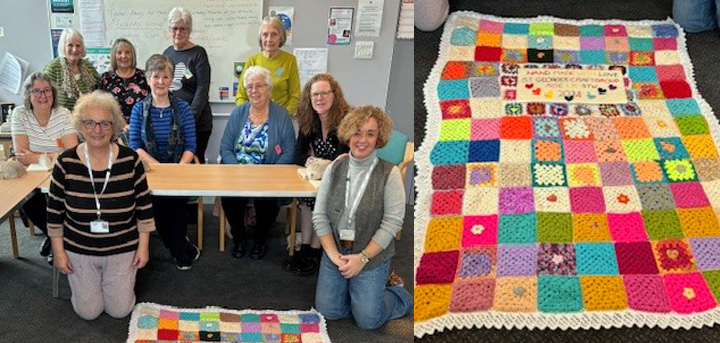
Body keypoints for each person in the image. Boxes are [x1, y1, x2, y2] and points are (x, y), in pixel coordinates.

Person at [46, 90, 155, 320]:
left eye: (105, 123)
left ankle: (112, 284)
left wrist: (143, 246)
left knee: (120, 311)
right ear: (80, 126)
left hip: (121, 247)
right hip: (79, 249)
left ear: (114, 125)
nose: (97, 130)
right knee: (89, 312)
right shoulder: (65, 162)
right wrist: (59, 252)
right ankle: (91, 286)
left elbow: (144, 206)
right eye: (90, 123)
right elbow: (54, 213)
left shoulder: (130, 160)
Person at [312, 105, 412, 330]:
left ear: (379, 138)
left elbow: (392, 223)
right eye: (357, 132)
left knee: (368, 320)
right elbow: (319, 216)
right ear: (348, 135)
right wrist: (333, 254)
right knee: (328, 311)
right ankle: (357, 292)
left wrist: (362, 259)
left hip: (371, 254)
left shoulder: (390, 173)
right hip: (337, 250)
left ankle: (396, 292)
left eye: (370, 133)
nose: (362, 140)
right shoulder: (334, 168)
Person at [128, 54, 200, 271]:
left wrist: (177, 170)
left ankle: (179, 250)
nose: (160, 81)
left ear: (171, 80)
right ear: (148, 79)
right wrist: (158, 169)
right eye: (156, 76)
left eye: (165, 76)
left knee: (177, 209)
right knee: (157, 214)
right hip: (150, 171)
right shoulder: (139, 110)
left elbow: (190, 146)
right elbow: (135, 145)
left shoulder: (184, 108)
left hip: (179, 169)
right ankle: (181, 246)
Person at [220, 66, 296, 260]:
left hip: (269, 175)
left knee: (268, 201)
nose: (254, 91)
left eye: (259, 86)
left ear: (269, 89)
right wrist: (236, 169)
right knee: (230, 199)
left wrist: (268, 174)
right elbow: (225, 147)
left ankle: (260, 239)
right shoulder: (238, 113)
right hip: (238, 173)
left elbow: (288, 151)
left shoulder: (281, 116)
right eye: (250, 86)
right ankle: (239, 238)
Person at [285, 73, 350, 276]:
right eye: (315, 95)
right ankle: (305, 246)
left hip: (342, 178)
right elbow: (297, 154)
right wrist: (316, 163)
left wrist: (316, 163)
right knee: (306, 200)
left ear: (335, 95)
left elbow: (341, 158)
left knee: (318, 201)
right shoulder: (310, 120)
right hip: (318, 176)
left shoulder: (345, 120)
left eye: (324, 93)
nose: (319, 98)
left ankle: (315, 250)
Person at [11, 71, 78, 264]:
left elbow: (71, 153)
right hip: (32, 176)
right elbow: (21, 155)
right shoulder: (20, 114)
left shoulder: (63, 114)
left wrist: (36, 156)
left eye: (47, 90)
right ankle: (57, 238)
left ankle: (55, 238)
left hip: (62, 173)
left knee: (67, 197)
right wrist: (51, 156)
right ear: (28, 95)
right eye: (37, 91)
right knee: (28, 200)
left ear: (53, 93)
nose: (43, 96)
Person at [163, 7, 212, 164]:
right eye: (174, 28)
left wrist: (188, 120)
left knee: (195, 164)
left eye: (182, 29)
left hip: (196, 123)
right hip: (173, 122)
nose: (178, 33)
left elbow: (202, 89)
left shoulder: (198, 53)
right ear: (169, 30)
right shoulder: (167, 53)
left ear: (189, 30)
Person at [235, 15, 300, 115]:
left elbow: (295, 95)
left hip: (281, 119)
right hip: (254, 118)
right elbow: (240, 96)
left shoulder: (290, 60)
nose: (269, 39)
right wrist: (250, 115)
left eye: (274, 34)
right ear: (260, 38)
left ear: (281, 38)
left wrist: (283, 116)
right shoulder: (252, 61)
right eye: (265, 35)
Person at [98, 38, 150, 132]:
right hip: (112, 131)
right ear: (114, 56)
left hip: (141, 129)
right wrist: (122, 124)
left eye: (127, 52)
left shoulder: (145, 77)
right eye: (119, 52)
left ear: (133, 55)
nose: (123, 56)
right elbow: (100, 107)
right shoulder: (105, 79)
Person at [44, 28, 99, 111]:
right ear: (63, 47)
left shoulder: (89, 67)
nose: (74, 49)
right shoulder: (53, 68)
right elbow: (44, 98)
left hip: (88, 118)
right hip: (62, 120)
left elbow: (100, 90)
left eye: (78, 45)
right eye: (70, 45)